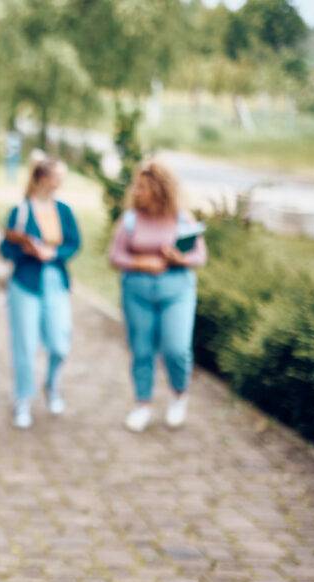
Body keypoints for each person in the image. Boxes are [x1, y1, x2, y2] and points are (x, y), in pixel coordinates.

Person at [108, 160, 207, 432]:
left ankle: (179, 394)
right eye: (136, 186)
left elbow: (200, 255)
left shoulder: (181, 219)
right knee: (141, 350)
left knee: (176, 348)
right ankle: (142, 405)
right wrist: (142, 263)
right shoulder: (130, 220)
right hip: (137, 293)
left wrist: (180, 258)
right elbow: (115, 256)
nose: (137, 191)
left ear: (160, 189)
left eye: (143, 187)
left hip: (177, 292)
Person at [0, 157, 81, 429]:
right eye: (57, 175)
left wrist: (53, 253)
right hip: (25, 282)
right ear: (43, 178)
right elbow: (5, 248)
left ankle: (52, 385)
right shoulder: (20, 211)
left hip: (55, 282)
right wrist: (25, 248)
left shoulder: (64, 211)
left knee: (60, 344)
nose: (60, 181)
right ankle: (23, 399)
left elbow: (74, 243)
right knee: (25, 345)